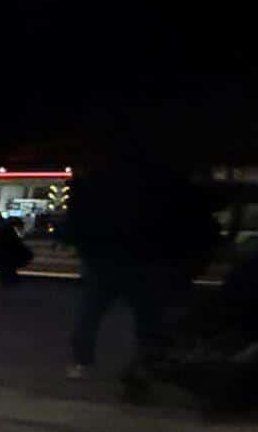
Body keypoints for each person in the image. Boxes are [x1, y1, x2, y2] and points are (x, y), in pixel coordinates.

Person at [65, 152, 218, 395]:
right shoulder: (162, 187)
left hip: (109, 259)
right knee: (146, 317)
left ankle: (83, 361)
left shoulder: (98, 187)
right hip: (145, 259)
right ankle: (145, 365)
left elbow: (79, 221)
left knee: (91, 313)